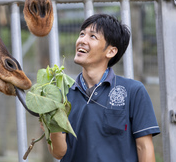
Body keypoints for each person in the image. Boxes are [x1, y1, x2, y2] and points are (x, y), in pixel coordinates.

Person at [45, 14, 160, 162]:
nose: (82, 40)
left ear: (111, 51)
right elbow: (58, 153)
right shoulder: (62, 95)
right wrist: (51, 124)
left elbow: (144, 147)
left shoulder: (133, 91)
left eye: (92, 36)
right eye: (82, 34)